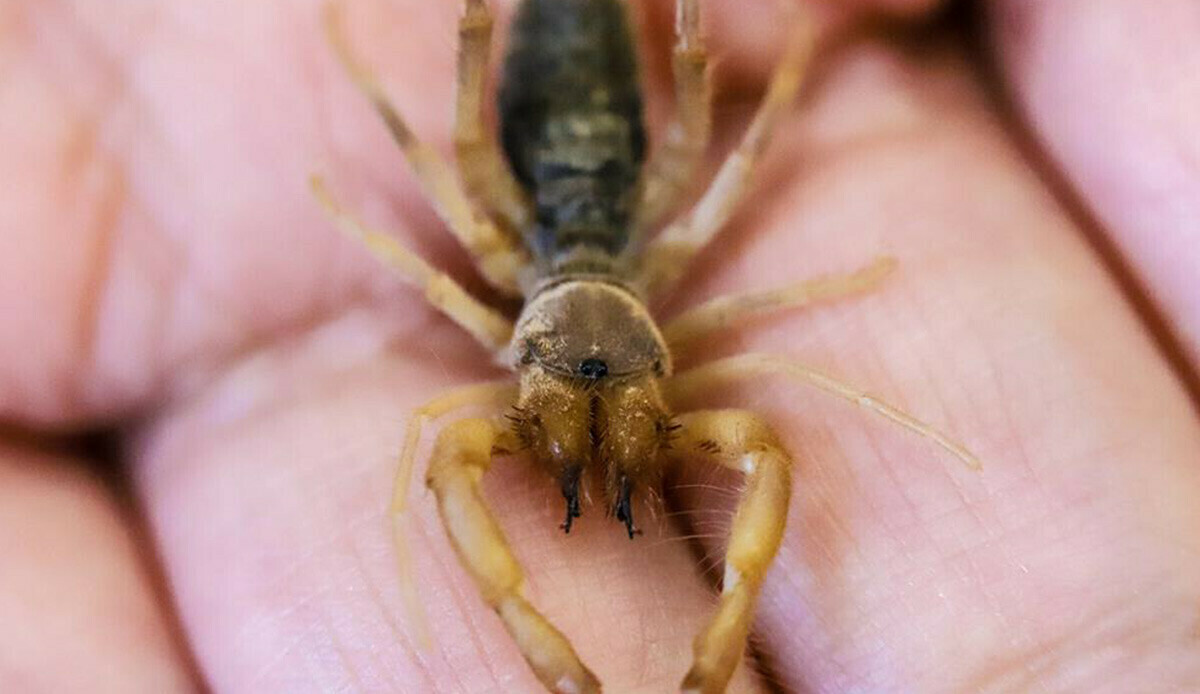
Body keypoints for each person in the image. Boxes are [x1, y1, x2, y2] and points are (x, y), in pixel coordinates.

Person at [1, 0, 1197, 690]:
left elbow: (736, 163)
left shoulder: (593, 299)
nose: (589, 406)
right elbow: (437, 201)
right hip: (586, 176)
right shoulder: (582, 294)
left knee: (677, 96)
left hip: (579, 184)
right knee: (590, 120)